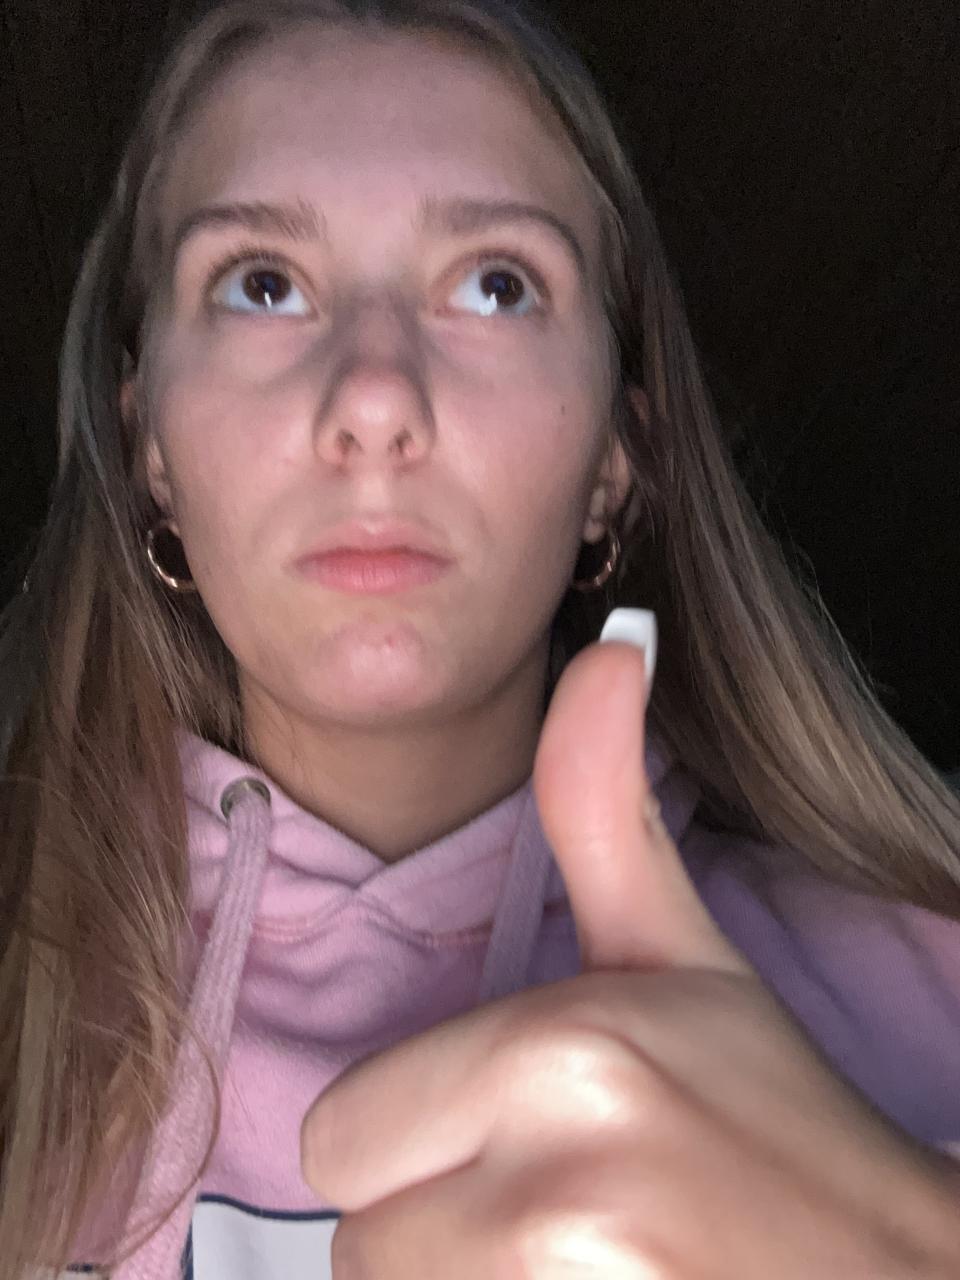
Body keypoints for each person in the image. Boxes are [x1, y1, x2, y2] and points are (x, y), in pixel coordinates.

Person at [2, 0, 960, 1275]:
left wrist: (906, 1240)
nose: (375, 397)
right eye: (262, 284)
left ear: (617, 458)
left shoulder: (926, 985)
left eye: (496, 285)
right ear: (150, 451)